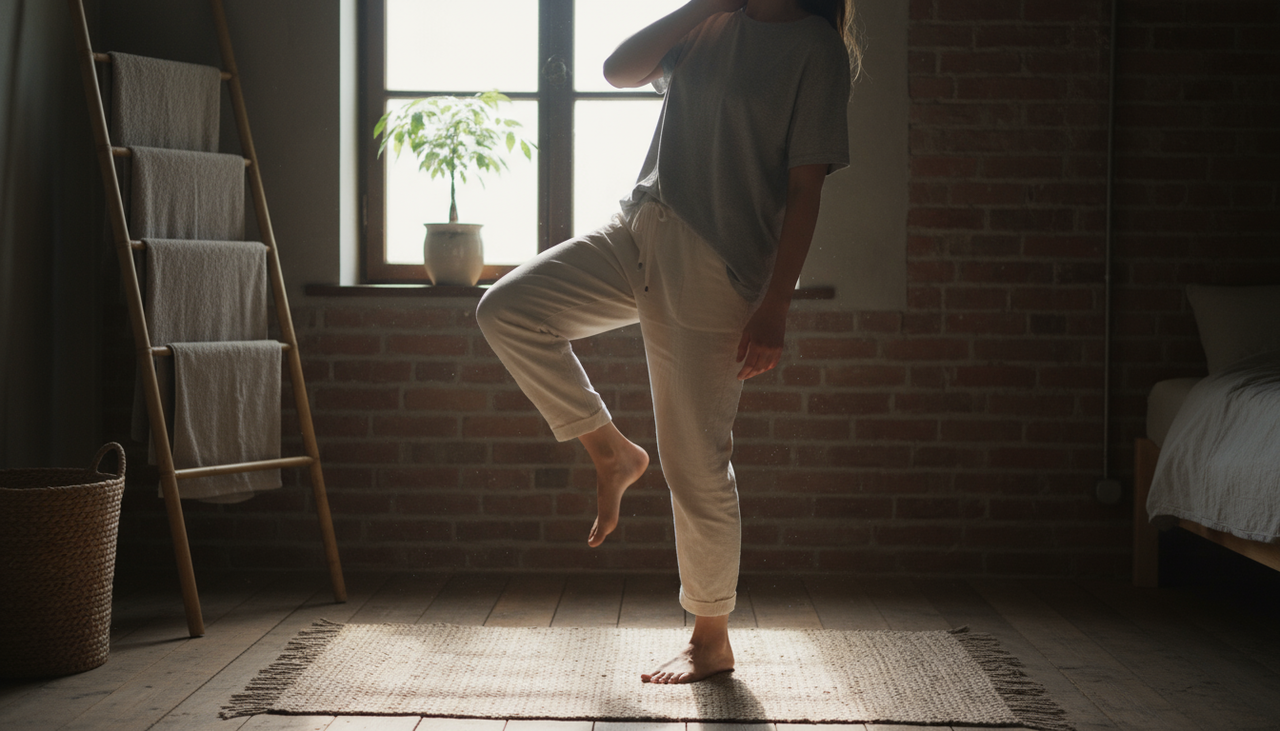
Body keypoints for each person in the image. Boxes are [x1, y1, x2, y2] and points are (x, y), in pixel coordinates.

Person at [476, 0, 857, 684]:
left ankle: (711, 640)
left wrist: (777, 302)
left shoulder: (816, 49)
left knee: (695, 464)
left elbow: (806, 190)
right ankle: (611, 452)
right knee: (508, 309)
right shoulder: (710, 23)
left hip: (717, 264)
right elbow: (618, 70)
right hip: (640, 229)